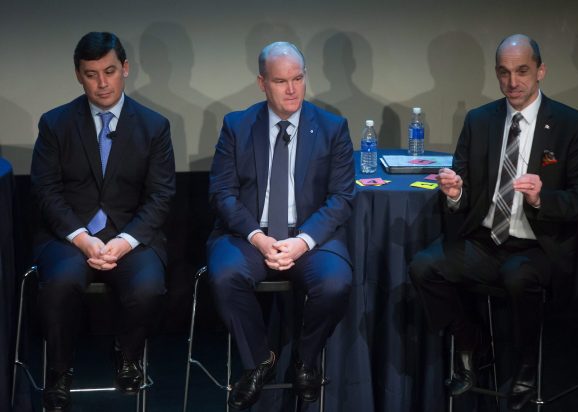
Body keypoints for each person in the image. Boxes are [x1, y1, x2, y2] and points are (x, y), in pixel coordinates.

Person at [409, 34, 578, 410]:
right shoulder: (480, 120)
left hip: (539, 246)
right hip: (485, 241)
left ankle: (525, 365)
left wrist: (543, 198)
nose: (513, 82)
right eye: (504, 72)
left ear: (540, 71)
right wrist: (454, 193)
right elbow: (460, 186)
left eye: (522, 71)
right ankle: (469, 341)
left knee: (518, 275)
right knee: (424, 266)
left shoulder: (570, 125)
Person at [30, 32, 175, 411]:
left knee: (148, 287)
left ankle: (127, 355)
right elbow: (45, 191)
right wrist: (81, 238)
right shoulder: (55, 123)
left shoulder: (153, 126)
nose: (102, 82)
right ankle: (59, 371)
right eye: (91, 74)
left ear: (125, 69)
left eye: (109, 71)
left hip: (131, 237)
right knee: (60, 283)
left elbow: (161, 196)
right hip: (69, 237)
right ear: (78, 75)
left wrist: (126, 241)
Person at [206, 41, 355, 410]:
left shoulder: (332, 127)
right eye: (280, 81)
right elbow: (222, 194)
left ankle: (305, 360)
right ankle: (260, 360)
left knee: (336, 281)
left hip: (307, 237)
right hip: (249, 234)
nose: (292, 89)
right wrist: (257, 238)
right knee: (225, 276)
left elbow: (341, 198)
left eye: (298, 79)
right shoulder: (237, 126)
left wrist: (303, 241)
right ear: (262, 83)